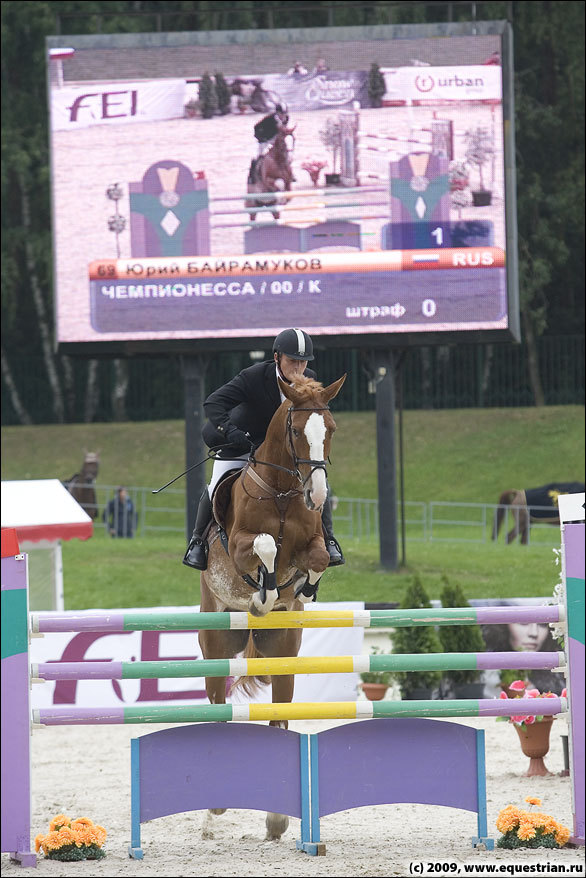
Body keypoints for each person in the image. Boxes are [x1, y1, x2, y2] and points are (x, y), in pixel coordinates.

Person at [183, 328, 345, 574]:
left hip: (280, 452)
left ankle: (329, 539)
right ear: (277, 356)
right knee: (216, 482)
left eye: (303, 362)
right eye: (293, 360)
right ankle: (197, 542)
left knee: (318, 481)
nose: (299, 368)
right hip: (242, 443)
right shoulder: (255, 376)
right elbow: (214, 402)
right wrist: (231, 431)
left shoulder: (308, 378)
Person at [480, 607, 565, 696]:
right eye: (523, 622)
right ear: (504, 626)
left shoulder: (559, 673)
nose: (534, 633)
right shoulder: (491, 673)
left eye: (542, 624)